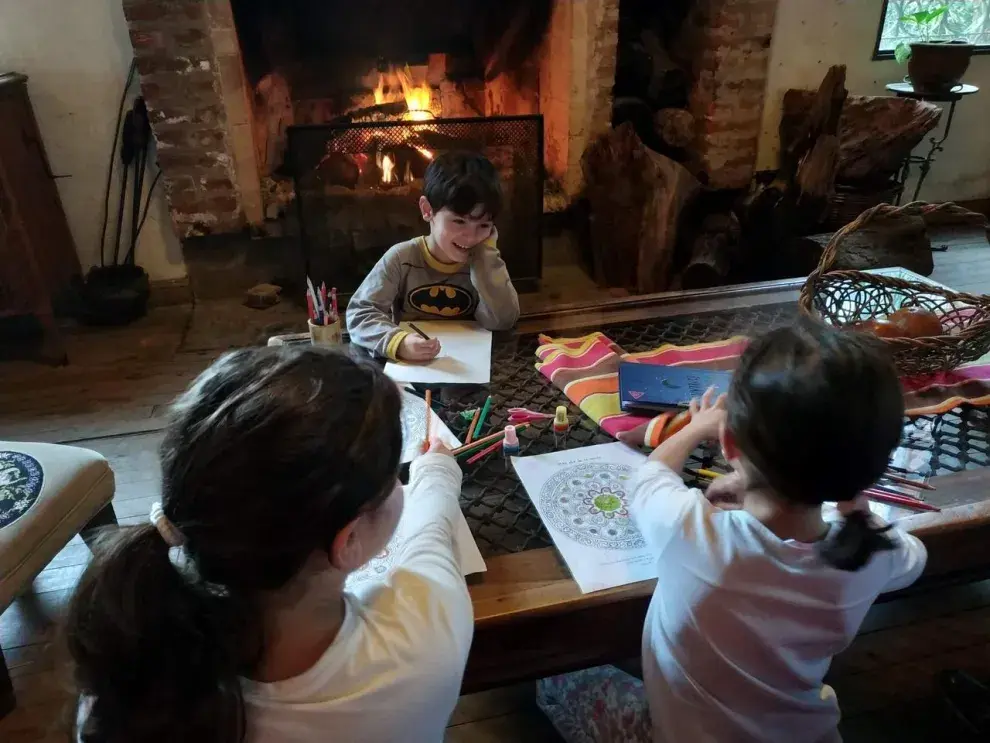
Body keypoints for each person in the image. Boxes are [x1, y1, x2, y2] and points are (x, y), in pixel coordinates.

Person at [537, 317, 928, 743]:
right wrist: (852, 502)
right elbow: (913, 557)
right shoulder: (872, 549)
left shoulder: (694, 530)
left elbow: (648, 477)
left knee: (552, 678)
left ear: (729, 445)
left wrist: (697, 426)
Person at [66, 346, 473, 743]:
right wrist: (436, 469)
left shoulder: (122, 695)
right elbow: (432, 536)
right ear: (347, 542)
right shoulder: (424, 637)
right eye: (391, 482)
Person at [346, 151, 520, 361]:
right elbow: (360, 313)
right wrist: (398, 341)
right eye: (459, 222)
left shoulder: (485, 261)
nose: (471, 237)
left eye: (483, 226)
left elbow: (502, 322)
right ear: (427, 210)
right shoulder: (402, 259)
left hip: (469, 366)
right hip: (414, 368)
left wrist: (486, 261)